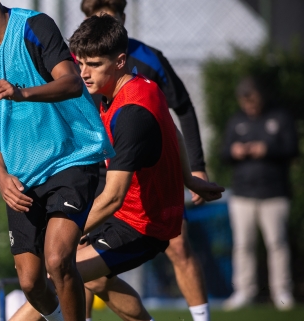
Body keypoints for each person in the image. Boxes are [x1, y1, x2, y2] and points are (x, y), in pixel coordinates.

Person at [9, 14, 224, 321]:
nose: (83, 73)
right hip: (128, 216)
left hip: (143, 225)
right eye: (79, 63)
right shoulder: (141, 85)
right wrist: (189, 179)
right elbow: (172, 131)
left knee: (59, 271)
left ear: (120, 61)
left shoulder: (131, 115)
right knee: (93, 277)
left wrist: (68, 232)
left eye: (94, 64)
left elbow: (113, 197)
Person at [0, 1, 116, 320]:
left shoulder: (33, 27)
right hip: (21, 175)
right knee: (29, 281)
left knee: (57, 260)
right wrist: (0, 175)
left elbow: (71, 82)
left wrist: (20, 92)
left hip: (71, 158)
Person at [78, 1, 213, 320]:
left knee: (178, 247)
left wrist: (193, 170)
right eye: (92, 20)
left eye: (108, 20)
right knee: (84, 269)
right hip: (99, 173)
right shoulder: (77, 63)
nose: (86, 71)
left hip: (143, 189)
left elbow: (178, 113)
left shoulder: (145, 71)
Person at [221, 77, 298, 311]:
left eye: (253, 100)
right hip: (243, 194)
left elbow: (293, 149)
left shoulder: (280, 117)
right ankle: (244, 291)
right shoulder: (237, 121)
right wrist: (234, 151)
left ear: (261, 96)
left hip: (274, 194)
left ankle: (282, 292)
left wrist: (267, 149)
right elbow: (223, 152)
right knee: (243, 245)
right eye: (245, 101)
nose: (249, 106)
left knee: (277, 244)